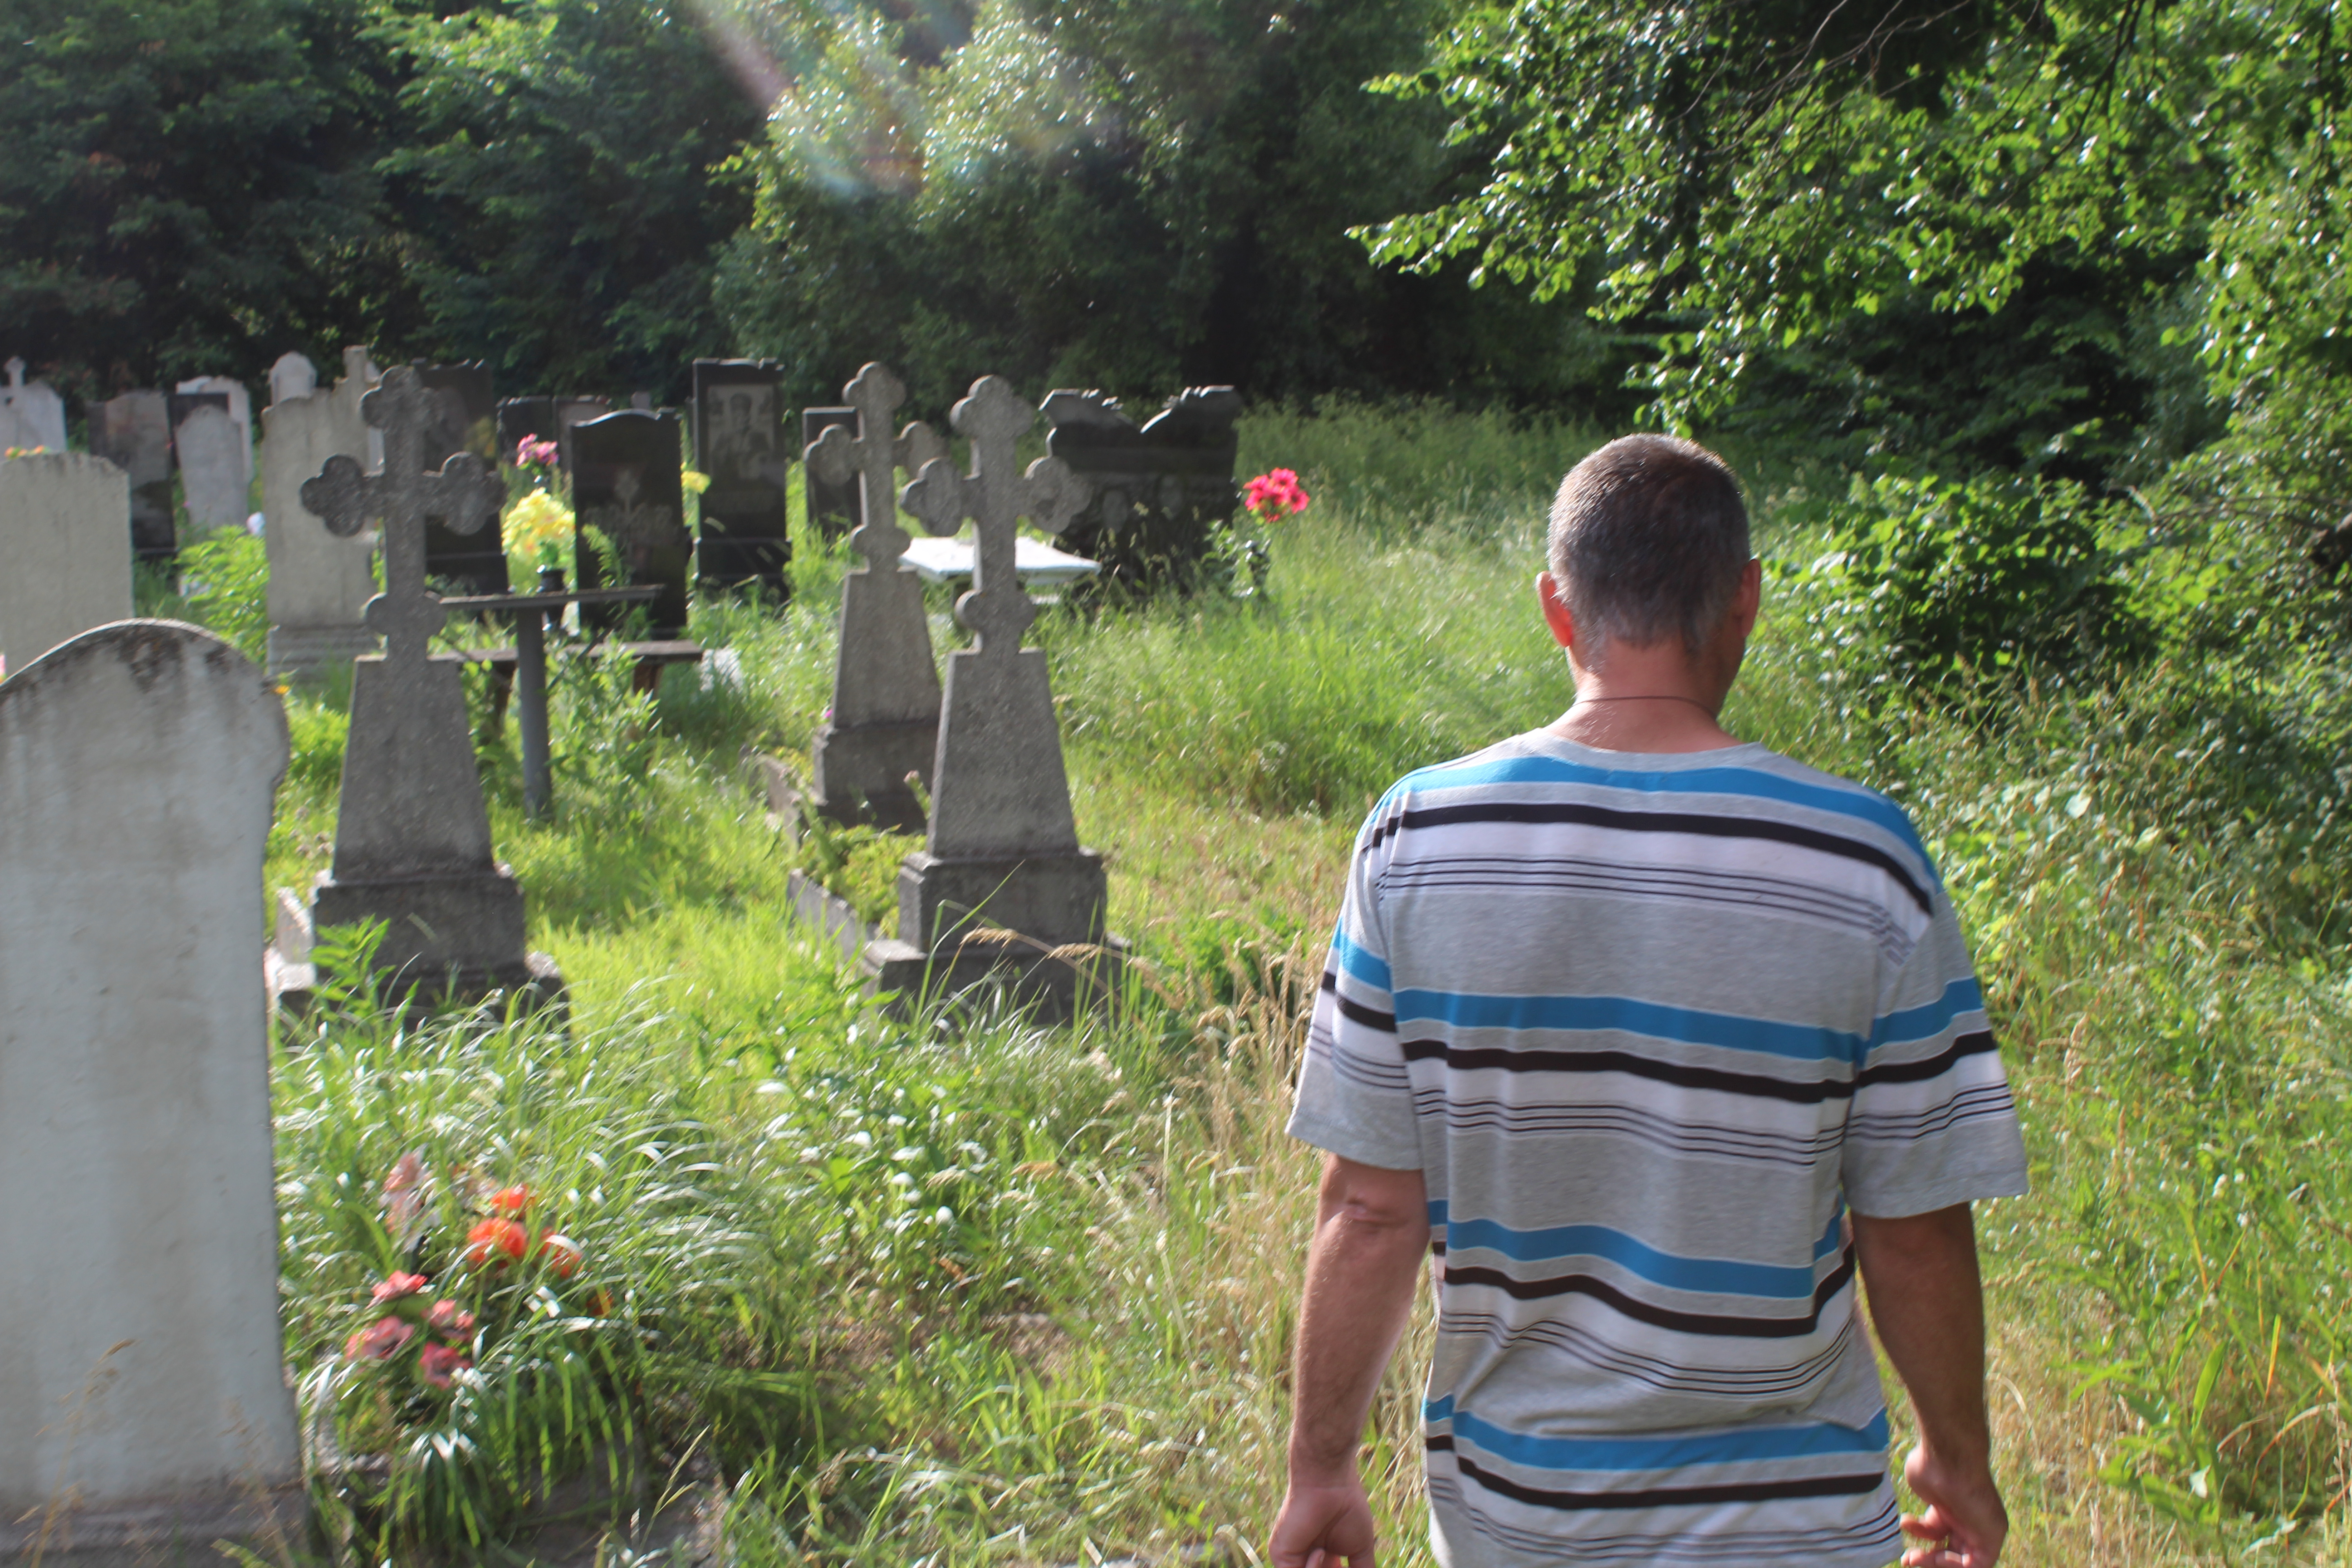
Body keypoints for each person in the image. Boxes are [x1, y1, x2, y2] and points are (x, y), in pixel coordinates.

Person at [1270, 434, 2029, 1568]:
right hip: (1802, 1522)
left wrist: (1321, 1468)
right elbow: (1912, 1230)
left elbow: (1371, 1212)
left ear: (1558, 610)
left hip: (1520, 1517)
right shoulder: (1866, 859)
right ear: (1746, 603)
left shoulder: (1419, 840)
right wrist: (1955, 1462)